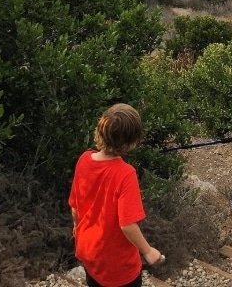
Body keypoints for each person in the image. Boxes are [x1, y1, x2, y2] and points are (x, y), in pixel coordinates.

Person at [68, 103, 165, 287]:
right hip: (117, 266)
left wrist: (76, 226)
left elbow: (75, 205)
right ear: (131, 142)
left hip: (89, 253)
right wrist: (147, 251)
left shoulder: (84, 160)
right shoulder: (125, 174)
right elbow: (127, 224)